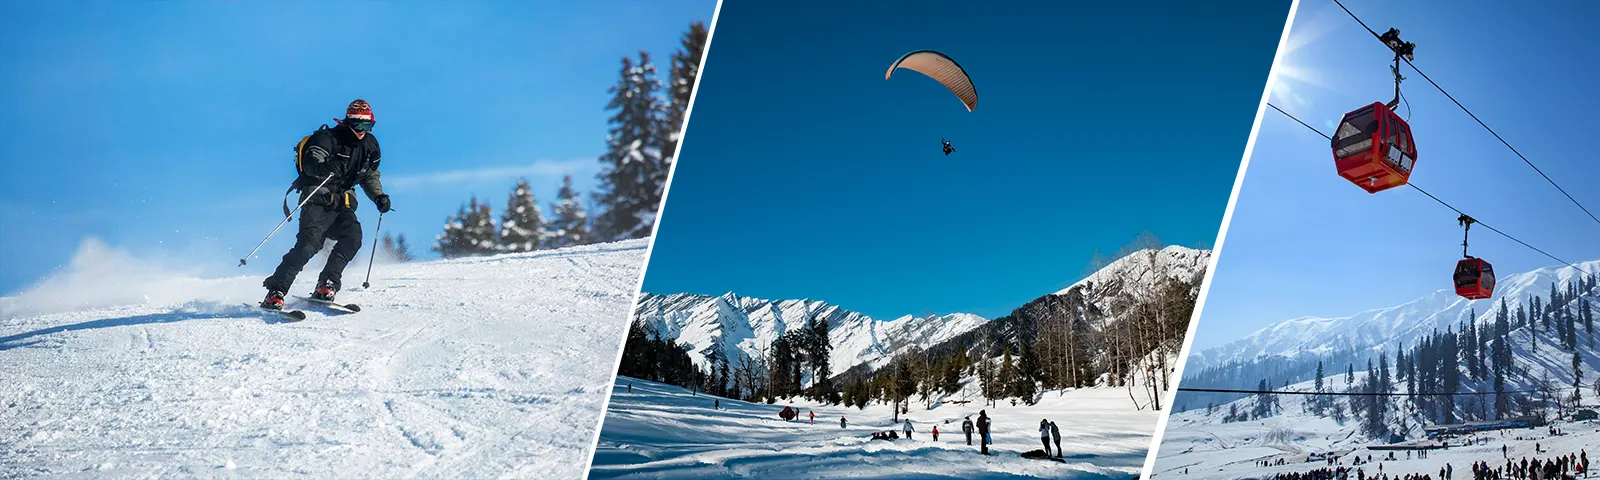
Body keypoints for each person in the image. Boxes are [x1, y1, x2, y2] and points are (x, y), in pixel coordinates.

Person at [261, 99, 390, 309]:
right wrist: (328, 168)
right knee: (309, 245)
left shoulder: (370, 146)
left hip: (343, 203)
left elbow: (370, 175)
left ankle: (327, 283)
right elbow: (312, 163)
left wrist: (379, 196)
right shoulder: (328, 138)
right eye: (357, 124)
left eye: (367, 126)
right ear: (348, 121)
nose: (361, 130)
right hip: (317, 200)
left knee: (353, 238)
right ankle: (276, 291)